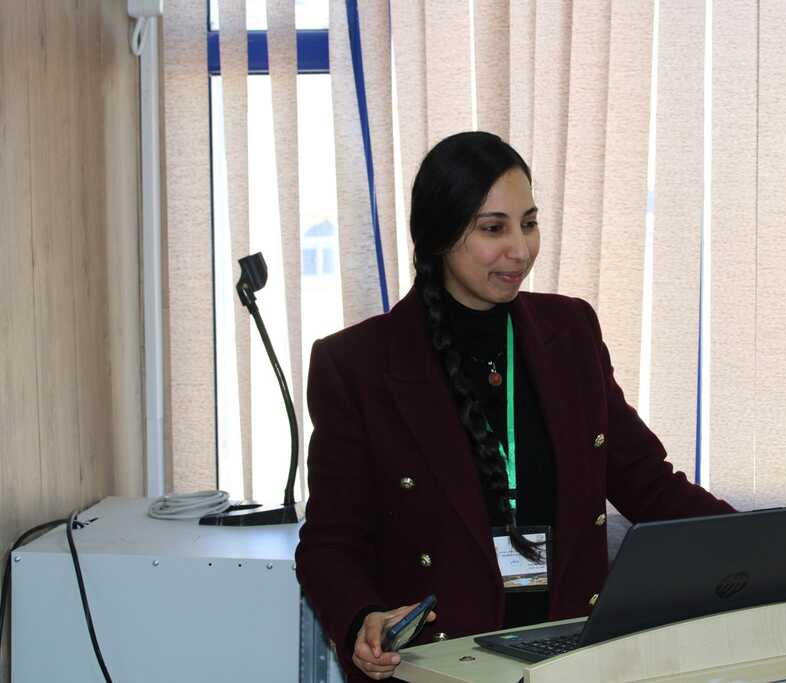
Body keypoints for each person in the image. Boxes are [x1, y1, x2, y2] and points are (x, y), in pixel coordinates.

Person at [295, 131, 736, 682]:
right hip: (439, 668)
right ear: (438, 235)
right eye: (493, 228)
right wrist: (361, 618)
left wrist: (775, 554)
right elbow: (330, 544)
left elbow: (649, 485)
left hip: (570, 660)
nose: (521, 250)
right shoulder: (357, 364)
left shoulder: (570, 331)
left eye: (529, 223)